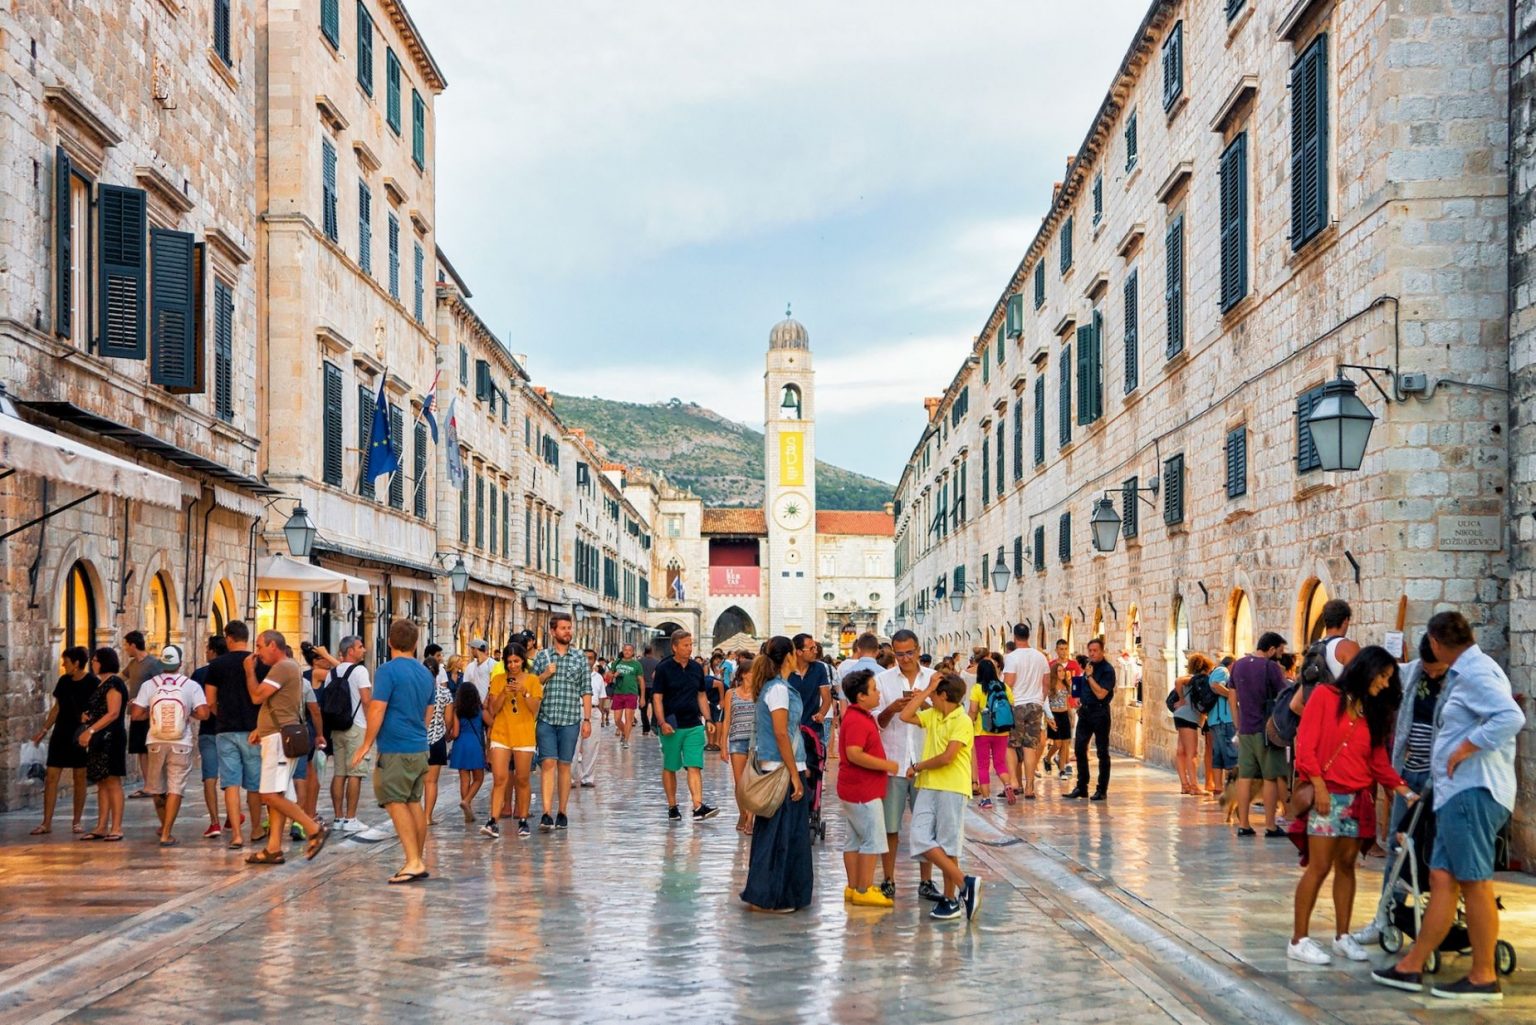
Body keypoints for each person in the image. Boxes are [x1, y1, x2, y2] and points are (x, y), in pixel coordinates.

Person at [1375, 612, 1526, 1001]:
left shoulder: (1475, 673)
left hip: (1473, 791)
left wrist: (1465, 746)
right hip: (1454, 794)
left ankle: (1483, 975)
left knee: (1474, 883)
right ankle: (1411, 965)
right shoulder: (1466, 671)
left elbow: (1510, 716)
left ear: (1437, 643)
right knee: (1442, 879)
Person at [1287, 645, 1413, 965]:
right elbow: (1306, 745)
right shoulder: (1325, 697)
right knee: (1319, 867)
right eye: (1382, 676)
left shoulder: (1371, 709)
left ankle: (1342, 936)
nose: (1385, 683)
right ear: (1366, 670)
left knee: (1347, 867)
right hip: (1327, 797)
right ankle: (1298, 940)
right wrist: (1318, 786)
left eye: (1389, 678)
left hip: (1358, 799)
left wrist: (1403, 790)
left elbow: (1378, 760)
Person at [1351, 633, 1448, 944]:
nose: (1433, 674)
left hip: (1440, 782)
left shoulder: (1459, 681)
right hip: (1410, 773)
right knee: (1397, 844)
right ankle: (1386, 915)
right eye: (1429, 668)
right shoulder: (1411, 674)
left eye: (1438, 669)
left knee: (1433, 852)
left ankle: (1435, 922)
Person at [351, 618, 434, 883]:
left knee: (394, 801)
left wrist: (365, 745)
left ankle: (412, 861)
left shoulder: (387, 671)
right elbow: (429, 712)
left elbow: (377, 708)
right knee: (413, 802)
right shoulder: (425, 673)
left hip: (395, 748)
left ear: (389, 642)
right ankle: (417, 858)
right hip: (419, 746)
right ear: (415, 643)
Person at [242, 631, 329, 864]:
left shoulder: (283, 667)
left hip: (279, 741)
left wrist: (249, 671)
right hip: (278, 736)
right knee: (277, 794)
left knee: (269, 795)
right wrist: (260, 729)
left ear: (273, 645)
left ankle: (313, 828)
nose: (257, 652)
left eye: (260, 646)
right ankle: (273, 848)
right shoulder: (288, 668)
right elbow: (279, 704)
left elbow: (257, 696)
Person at [899, 672, 979, 922]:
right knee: (919, 837)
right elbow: (905, 715)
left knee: (947, 843)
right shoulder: (932, 715)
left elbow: (948, 757)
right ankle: (965, 883)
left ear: (944, 695)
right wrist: (926, 690)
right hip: (929, 786)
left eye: (934, 693)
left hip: (952, 787)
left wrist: (919, 766)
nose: (930, 698)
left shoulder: (962, 720)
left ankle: (950, 897)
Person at [740, 637, 812, 913]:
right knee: (782, 838)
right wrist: (795, 774)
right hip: (782, 770)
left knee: (774, 836)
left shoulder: (773, 687)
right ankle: (772, 896)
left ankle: (766, 893)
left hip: (778, 765)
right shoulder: (779, 690)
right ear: (789, 657)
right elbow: (782, 732)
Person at [873, 629, 938, 902]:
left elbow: (945, 715)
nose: (905, 659)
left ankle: (926, 879)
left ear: (918, 649)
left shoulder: (933, 678)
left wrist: (923, 705)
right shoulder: (883, 680)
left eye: (910, 653)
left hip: (924, 762)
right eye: (899, 654)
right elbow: (877, 721)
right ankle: (888, 878)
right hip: (894, 762)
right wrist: (893, 708)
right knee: (890, 826)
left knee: (926, 825)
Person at [128, 644, 210, 847]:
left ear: (162, 663)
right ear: (180, 664)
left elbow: (136, 714)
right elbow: (204, 714)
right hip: (180, 742)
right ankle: (166, 833)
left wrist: (151, 715)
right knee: (175, 787)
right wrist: (187, 714)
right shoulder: (191, 686)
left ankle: (164, 825)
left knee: (157, 788)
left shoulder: (150, 685)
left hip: (155, 741)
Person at [838, 668, 897, 908]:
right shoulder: (856, 720)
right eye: (874, 689)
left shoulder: (861, 716)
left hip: (855, 788)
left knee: (854, 839)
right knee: (872, 839)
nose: (878, 693)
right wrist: (887, 764)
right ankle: (864, 889)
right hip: (863, 790)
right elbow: (854, 753)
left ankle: (854, 887)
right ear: (861, 696)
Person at [532, 613, 593, 831]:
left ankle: (562, 812)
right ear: (553, 631)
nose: (568, 631)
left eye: (570, 627)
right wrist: (544, 676)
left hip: (570, 719)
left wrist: (587, 719)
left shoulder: (579, 658)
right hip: (546, 718)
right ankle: (547, 812)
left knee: (565, 765)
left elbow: (586, 690)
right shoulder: (542, 658)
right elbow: (531, 686)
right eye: (563, 628)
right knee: (548, 763)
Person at [652, 630, 718, 821]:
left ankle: (698, 806)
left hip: (693, 724)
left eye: (691, 644)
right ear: (674, 647)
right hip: (671, 725)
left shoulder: (696, 668)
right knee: (670, 766)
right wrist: (662, 722)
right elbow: (657, 697)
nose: (689, 648)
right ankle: (672, 805)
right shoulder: (664, 669)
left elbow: (701, 695)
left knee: (694, 765)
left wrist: (709, 719)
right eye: (685, 645)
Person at [31, 646, 97, 835]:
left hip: (80, 733)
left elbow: (98, 708)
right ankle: (46, 822)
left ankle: (77, 821)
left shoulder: (92, 682)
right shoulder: (64, 681)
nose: (63, 665)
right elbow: (57, 708)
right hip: (61, 732)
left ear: (76, 663)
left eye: (66, 662)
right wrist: (44, 730)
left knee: (79, 777)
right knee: (51, 777)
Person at [1230, 632, 1289, 837]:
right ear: (1271, 649)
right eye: (1279, 651)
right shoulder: (1270, 667)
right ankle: (1271, 825)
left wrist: (1238, 723)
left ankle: (1244, 824)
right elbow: (1283, 696)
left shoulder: (1238, 665)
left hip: (1245, 729)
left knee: (1245, 777)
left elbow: (1232, 696)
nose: (1280, 656)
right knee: (1270, 777)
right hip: (1266, 731)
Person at [485, 642, 542, 838]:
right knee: (500, 778)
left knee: (522, 779)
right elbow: (493, 709)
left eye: (516, 661)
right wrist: (504, 693)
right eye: (509, 662)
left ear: (523, 661)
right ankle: (493, 821)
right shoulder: (498, 679)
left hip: (524, 734)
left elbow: (535, 709)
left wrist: (524, 691)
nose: (512, 665)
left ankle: (523, 820)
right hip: (501, 733)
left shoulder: (533, 680)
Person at [78, 648, 128, 841]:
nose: (93, 663)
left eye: (96, 660)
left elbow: (113, 712)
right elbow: (102, 709)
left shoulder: (114, 683)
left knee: (112, 780)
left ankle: (116, 827)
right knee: (102, 781)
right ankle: (101, 825)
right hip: (101, 737)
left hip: (111, 737)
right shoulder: (102, 684)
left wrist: (90, 730)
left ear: (104, 662)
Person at [324, 636, 372, 835]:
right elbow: (367, 700)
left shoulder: (332, 672)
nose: (364, 650)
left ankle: (338, 817)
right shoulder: (360, 671)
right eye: (360, 647)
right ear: (350, 651)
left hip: (337, 727)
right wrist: (371, 727)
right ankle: (351, 817)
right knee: (355, 774)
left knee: (339, 773)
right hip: (357, 726)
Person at [1002, 624, 1049, 799]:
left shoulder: (1012, 657)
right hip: (1035, 704)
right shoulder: (1040, 657)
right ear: (1029, 636)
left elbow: (1009, 683)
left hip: (1016, 704)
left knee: (1011, 745)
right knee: (1030, 746)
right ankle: (1029, 786)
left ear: (1015, 637)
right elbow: (1046, 684)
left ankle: (1014, 780)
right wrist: (1040, 701)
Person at [1065, 638, 1115, 801]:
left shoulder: (1107, 670)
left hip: (1100, 713)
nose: (1092, 653)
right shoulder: (1088, 667)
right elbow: (1083, 686)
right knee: (1079, 749)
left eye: (1095, 650)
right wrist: (1079, 697)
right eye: (1090, 651)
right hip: (1085, 713)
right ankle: (1082, 786)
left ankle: (1102, 789)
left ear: (1102, 651)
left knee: (1102, 752)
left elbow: (1101, 693)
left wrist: (1090, 677)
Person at [192, 635, 228, 838]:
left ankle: (214, 822)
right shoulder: (235, 669)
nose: (206, 652)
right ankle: (233, 816)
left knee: (209, 777)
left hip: (208, 731)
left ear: (213, 651)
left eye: (207, 648)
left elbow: (194, 704)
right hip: (230, 730)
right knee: (232, 777)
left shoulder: (200, 674)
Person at [121, 631, 163, 799]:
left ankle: (155, 784)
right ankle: (148, 785)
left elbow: (160, 687)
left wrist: (147, 709)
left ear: (133, 645)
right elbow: (120, 678)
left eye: (126, 645)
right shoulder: (132, 665)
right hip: (135, 714)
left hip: (148, 715)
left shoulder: (153, 664)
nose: (125, 649)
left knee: (151, 750)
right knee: (140, 750)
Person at [966, 658, 1014, 808]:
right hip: (1002, 731)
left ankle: (986, 799)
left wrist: (968, 724)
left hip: (982, 731)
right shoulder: (1005, 687)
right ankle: (1007, 784)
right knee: (1000, 764)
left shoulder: (978, 688)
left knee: (983, 766)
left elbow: (973, 710)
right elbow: (1011, 706)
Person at [720, 657, 756, 834]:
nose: (753, 676)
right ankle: (743, 812)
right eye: (750, 672)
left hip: (756, 741)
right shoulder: (731, 694)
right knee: (740, 782)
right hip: (737, 739)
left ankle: (750, 818)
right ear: (742, 674)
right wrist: (723, 745)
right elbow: (727, 720)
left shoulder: (760, 692)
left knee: (754, 781)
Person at [1171, 652, 1211, 796]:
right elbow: (1178, 681)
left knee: (1181, 751)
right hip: (1188, 717)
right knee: (1192, 753)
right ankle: (1194, 786)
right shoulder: (1192, 679)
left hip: (1181, 716)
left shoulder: (1192, 679)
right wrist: (1182, 699)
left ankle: (1185, 785)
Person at [448, 683, 487, 823]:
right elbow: (491, 722)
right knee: (479, 778)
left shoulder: (457, 710)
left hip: (460, 745)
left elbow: (456, 732)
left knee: (464, 779)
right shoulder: (479, 710)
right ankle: (467, 800)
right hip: (475, 744)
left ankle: (467, 809)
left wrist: (449, 736)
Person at [423, 655, 453, 826]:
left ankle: (416, 815)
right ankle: (427, 816)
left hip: (418, 740)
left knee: (415, 782)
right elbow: (448, 719)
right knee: (431, 782)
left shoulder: (416, 691)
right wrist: (447, 732)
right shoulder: (444, 693)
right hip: (436, 739)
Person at [1045, 639, 1080, 779]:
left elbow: (1077, 684)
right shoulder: (1051, 665)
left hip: (1068, 706)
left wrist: (1076, 700)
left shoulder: (1074, 665)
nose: (1063, 651)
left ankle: (1064, 766)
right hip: (1054, 710)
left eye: (1065, 648)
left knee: (1067, 740)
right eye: (1061, 648)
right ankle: (1056, 760)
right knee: (1058, 742)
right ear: (1056, 650)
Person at [790, 634, 834, 745]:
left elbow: (827, 698)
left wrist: (821, 714)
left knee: (813, 761)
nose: (816, 651)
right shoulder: (786, 670)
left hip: (813, 728)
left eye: (816, 648)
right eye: (812, 648)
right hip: (789, 728)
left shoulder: (819, 668)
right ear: (799, 652)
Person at [1205, 656, 1238, 798]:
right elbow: (1215, 684)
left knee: (1218, 755)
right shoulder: (1223, 670)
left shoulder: (1217, 671)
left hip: (1215, 720)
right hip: (1224, 720)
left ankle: (1218, 789)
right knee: (1231, 754)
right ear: (1232, 665)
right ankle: (1232, 790)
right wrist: (1232, 695)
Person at [575, 649, 605, 788]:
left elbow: (601, 697)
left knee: (591, 746)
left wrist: (601, 713)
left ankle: (588, 778)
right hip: (576, 710)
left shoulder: (598, 677)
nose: (587, 661)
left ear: (594, 660)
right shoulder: (574, 675)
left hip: (593, 711)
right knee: (573, 745)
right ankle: (570, 778)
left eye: (590, 658)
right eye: (585, 658)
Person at [609, 644, 643, 746]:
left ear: (633, 652)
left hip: (631, 693)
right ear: (622, 651)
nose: (627, 652)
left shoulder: (637, 665)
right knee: (617, 719)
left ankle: (626, 740)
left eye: (629, 650)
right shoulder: (616, 662)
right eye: (625, 650)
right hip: (618, 693)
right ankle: (624, 732)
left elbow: (641, 681)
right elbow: (609, 677)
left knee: (629, 719)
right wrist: (614, 675)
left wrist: (642, 697)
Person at [639, 644, 659, 736]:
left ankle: (645, 728)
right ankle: (654, 725)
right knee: (655, 707)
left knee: (643, 708)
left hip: (642, 687)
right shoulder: (657, 662)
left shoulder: (639, 662)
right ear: (652, 652)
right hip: (654, 687)